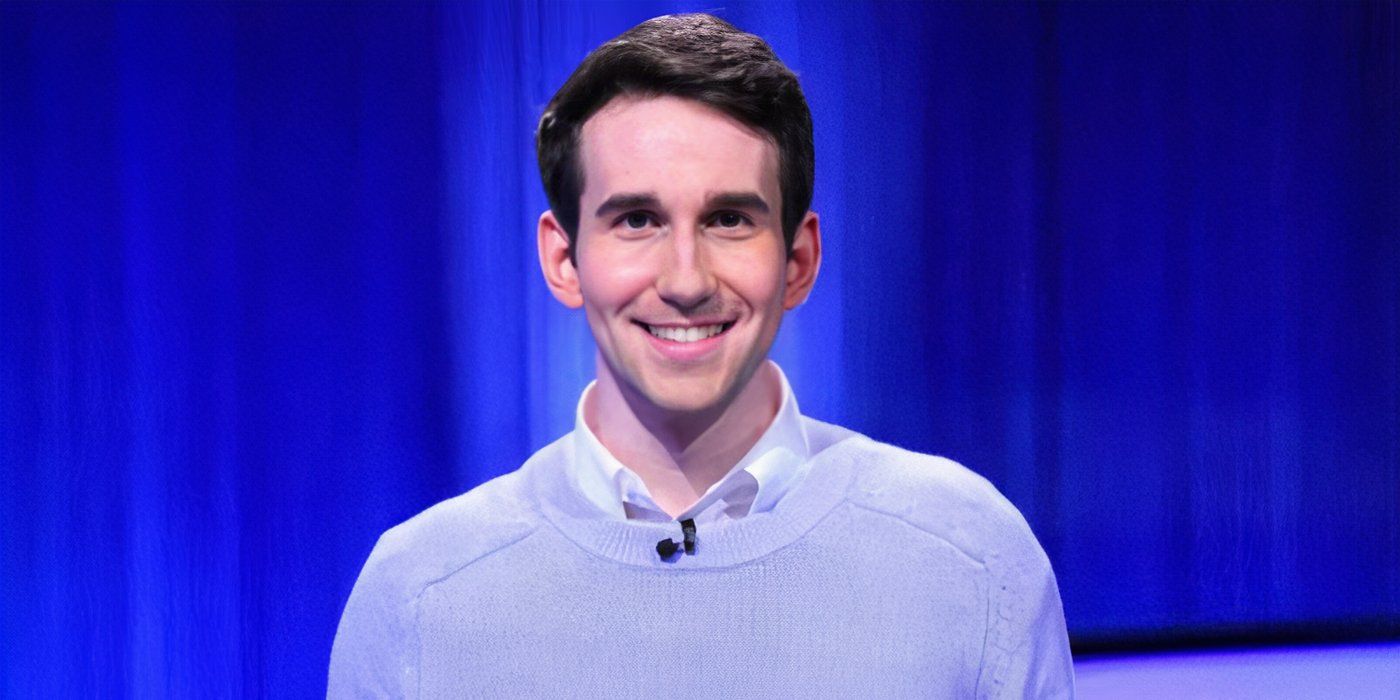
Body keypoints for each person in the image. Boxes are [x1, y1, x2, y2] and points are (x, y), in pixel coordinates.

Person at [330, 13, 1073, 698]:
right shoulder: (424, 596)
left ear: (799, 260)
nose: (686, 280)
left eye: (728, 219)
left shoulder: (970, 558)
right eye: (637, 220)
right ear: (562, 260)